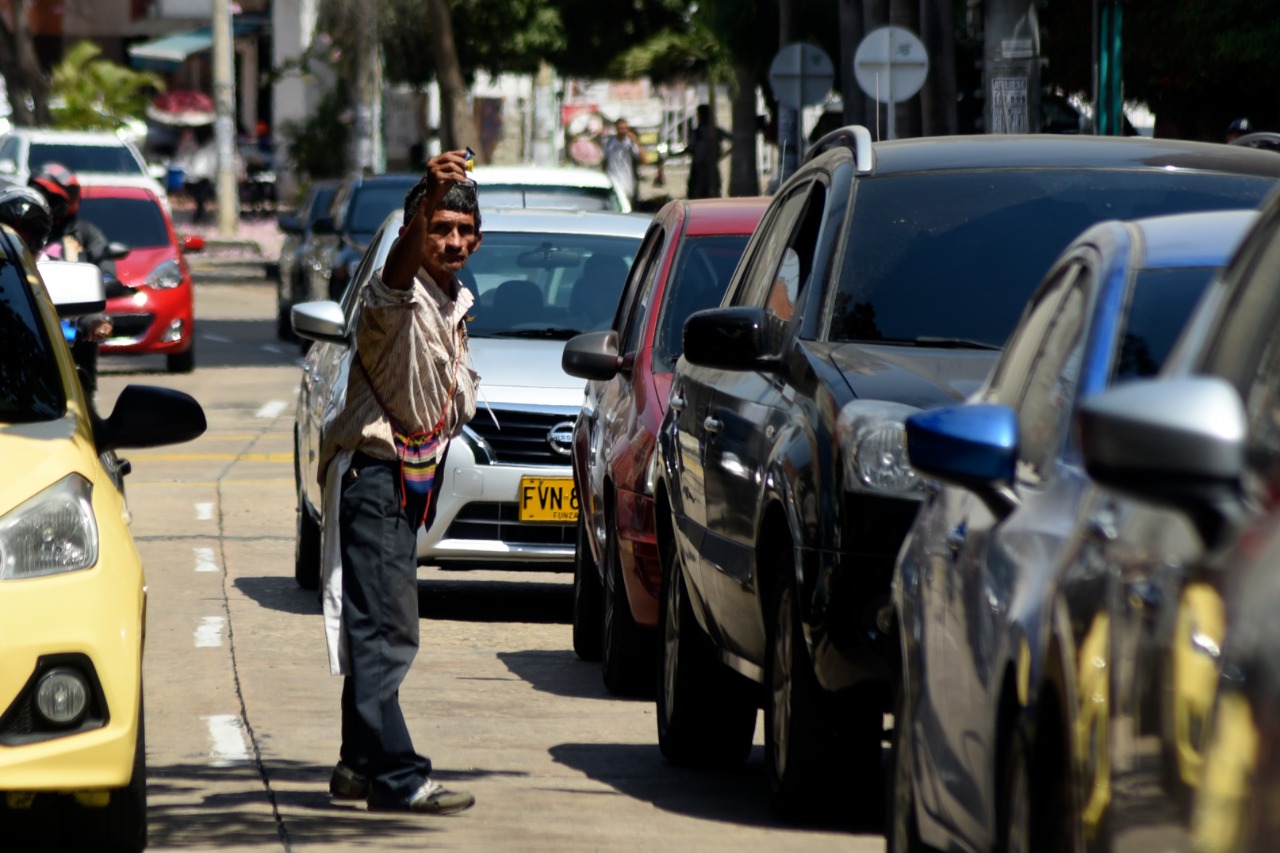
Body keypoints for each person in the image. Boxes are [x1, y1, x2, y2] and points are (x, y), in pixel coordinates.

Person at [316, 149, 480, 815]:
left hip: (404, 486)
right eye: (440, 227)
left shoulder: (455, 304)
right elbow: (390, 276)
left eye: (464, 231)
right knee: (389, 631)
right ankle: (397, 775)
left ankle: (358, 763)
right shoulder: (400, 295)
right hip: (377, 479)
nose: (453, 241)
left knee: (371, 627)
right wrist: (424, 200)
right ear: (417, 229)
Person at [29, 161, 121, 397]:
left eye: (50, 197)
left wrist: (97, 318)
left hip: (73, 327)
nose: (43, 202)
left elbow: (106, 274)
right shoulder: (18, 234)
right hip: (26, 324)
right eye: (37, 193)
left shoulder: (86, 233)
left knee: (83, 400)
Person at [687, 104, 729, 200]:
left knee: (708, 195)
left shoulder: (714, 131)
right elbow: (691, 149)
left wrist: (720, 155)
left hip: (706, 168)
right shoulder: (698, 132)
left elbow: (733, 140)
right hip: (699, 168)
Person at [601, 117, 641, 208]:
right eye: (620, 128)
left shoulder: (630, 142)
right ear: (616, 129)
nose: (623, 131)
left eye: (625, 128)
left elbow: (642, 159)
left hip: (627, 184)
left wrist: (636, 141)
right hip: (613, 182)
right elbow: (604, 161)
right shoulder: (609, 142)